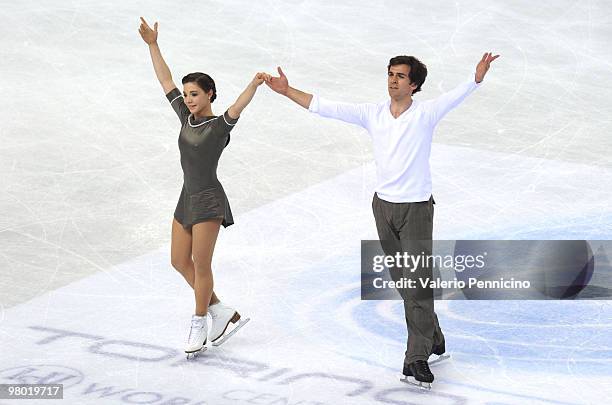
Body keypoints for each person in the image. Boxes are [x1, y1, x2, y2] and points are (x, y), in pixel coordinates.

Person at [265, 52, 499, 386]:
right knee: (405, 281)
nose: (393, 80)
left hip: (416, 209)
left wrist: (476, 77)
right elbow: (325, 106)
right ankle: (433, 336)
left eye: (401, 76)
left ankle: (416, 357)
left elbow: (457, 95)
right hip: (383, 207)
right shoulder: (373, 114)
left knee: (417, 284)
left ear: (414, 84)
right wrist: (288, 91)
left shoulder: (426, 113)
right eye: (390, 74)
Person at [138, 17, 269, 357]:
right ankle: (221, 310)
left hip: (209, 201)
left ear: (209, 94)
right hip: (187, 198)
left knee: (201, 263)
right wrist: (153, 44)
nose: (189, 99)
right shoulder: (187, 117)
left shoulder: (218, 127)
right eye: (186, 95)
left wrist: (254, 83)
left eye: (195, 94)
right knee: (179, 261)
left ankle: (200, 320)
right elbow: (165, 80)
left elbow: (238, 107)